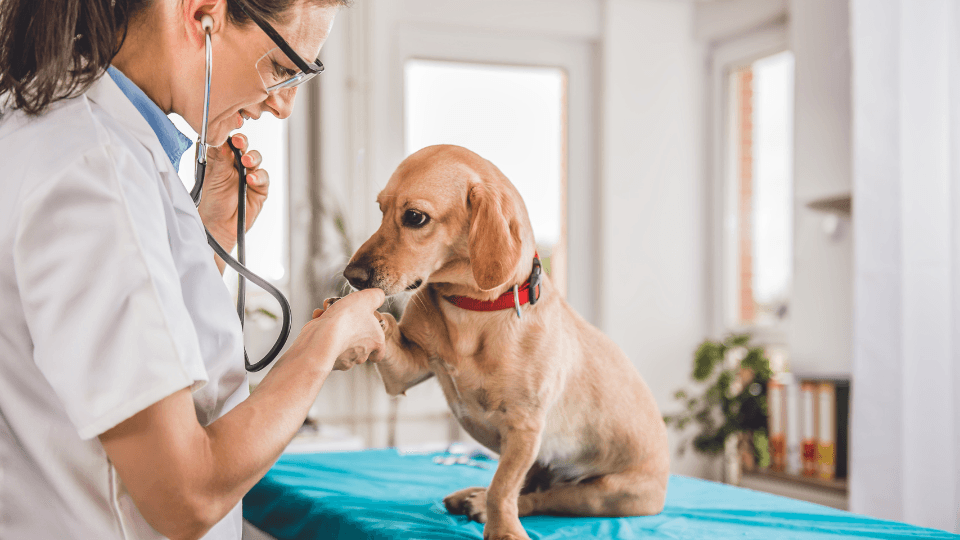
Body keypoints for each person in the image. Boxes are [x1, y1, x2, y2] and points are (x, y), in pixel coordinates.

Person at [0, 0, 386, 538]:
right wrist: (323, 343)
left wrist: (211, 239)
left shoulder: (61, 133)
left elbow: (109, 351)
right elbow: (184, 494)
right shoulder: (95, 172)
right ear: (202, 14)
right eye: (280, 68)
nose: (284, 106)